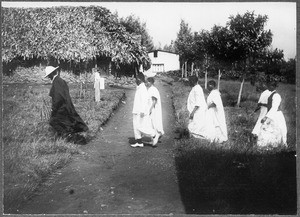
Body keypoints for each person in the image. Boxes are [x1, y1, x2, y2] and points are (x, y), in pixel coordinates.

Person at [44, 66, 88, 144]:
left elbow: (58, 97)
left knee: (53, 121)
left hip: (61, 107)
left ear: (51, 74)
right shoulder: (60, 80)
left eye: (49, 76)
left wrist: (53, 108)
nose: (49, 77)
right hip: (65, 106)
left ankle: (68, 136)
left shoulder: (57, 82)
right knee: (66, 122)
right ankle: (69, 136)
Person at [257, 80, 287, 147]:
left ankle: (276, 144)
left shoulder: (276, 96)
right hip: (271, 114)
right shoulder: (271, 94)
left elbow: (274, 108)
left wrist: (266, 117)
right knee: (267, 129)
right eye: (268, 85)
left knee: (277, 129)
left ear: (274, 86)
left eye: (270, 86)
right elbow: (269, 105)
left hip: (276, 115)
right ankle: (267, 144)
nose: (268, 87)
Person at [131, 72, 154, 147]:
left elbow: (144, 100)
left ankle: (153, 135)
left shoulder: (142, 88)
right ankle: (139, 142)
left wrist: (142, 111)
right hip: (136, 110)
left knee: (141, 126)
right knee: (137, 126)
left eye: (136, 78)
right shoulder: (140, 87)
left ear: (140, 79)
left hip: (139, 111)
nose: (135, 80)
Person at [187, 75, 210, 140]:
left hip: (198, 111)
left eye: (190, 81)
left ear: (193, 81)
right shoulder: (195, 88)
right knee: (194, 125)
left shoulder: (197, 89)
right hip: (196, 110)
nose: (189, 83)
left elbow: (198, 102)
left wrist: (193, 112)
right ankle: (193, 138)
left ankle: (197, 139)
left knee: (197, 126)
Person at [146, 77, 164, 146]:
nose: (146, 83)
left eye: (147, 82)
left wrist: (150, 109)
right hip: (151, 108)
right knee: (151, 123)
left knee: (154, 122)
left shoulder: (153, 89)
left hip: (153, 109)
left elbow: (154, 100)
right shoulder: (150, 89)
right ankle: (154, 138)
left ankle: (157, 135)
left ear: (150, 82)